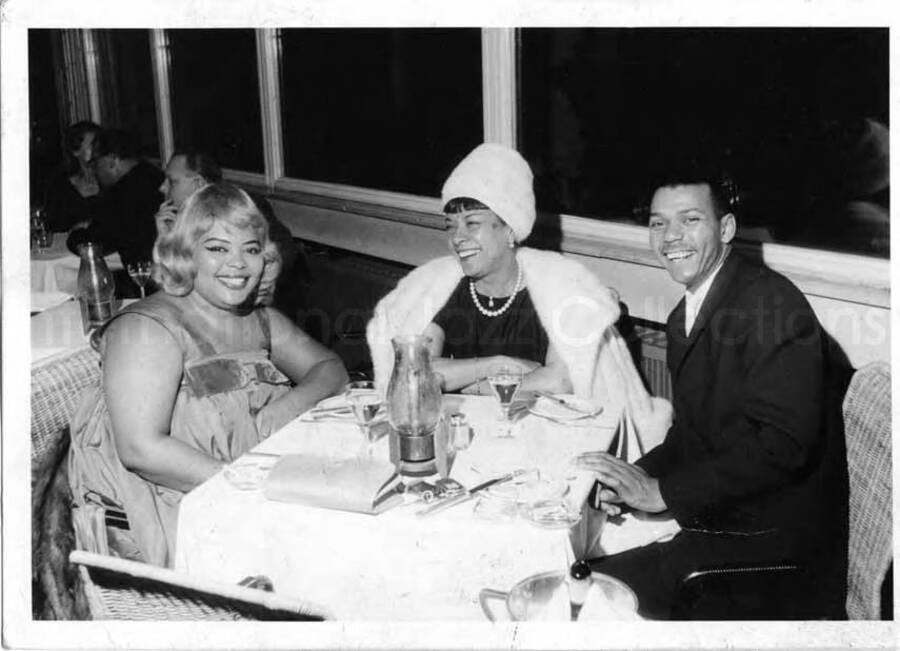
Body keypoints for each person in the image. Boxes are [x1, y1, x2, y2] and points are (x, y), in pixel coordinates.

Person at [578, 164, 849, 619]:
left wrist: (664, 493)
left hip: (773, 551)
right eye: (658, 223)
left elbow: (783, 446)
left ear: (726, 228)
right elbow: (692, 434)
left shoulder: (773, 304)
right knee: (581, 568)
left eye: (690, 219)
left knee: (586, 596)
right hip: (726, 518)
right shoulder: (689, 311)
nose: (671, 237)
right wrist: (633, 479)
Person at [67, 183, 348, 568]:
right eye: (217, 248)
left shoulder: (257, 318)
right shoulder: (147, 328)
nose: (237, 264)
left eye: (250, 249)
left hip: (246, 484)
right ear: (185, 255)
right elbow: (140, 450)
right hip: (169, 508)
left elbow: (331, 369)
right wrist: (248, 488)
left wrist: (282, 411)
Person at [368, 143, 671, 449]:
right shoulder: (448, 290)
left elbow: (560, 382)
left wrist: (467, 385)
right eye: (450, 226)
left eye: (472, 223)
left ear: (509, 230)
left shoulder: (557, 290)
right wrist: (497, 364)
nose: (457, 238)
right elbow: (417, 373)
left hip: (551, 439)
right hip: (479, 436)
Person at [155, 150, 309, 312]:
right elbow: (170, 288)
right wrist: (165, 241)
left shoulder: (241, 208)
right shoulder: (187, 219)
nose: (162, 188)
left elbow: (283, 253)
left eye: (172, 182)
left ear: (199, 184)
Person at [66, 128, 164, 268]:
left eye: (95, 163)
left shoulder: (122, 193)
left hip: (146, 278)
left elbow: (93, 245)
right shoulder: (153, 174)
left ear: (112, 161)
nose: (94, 171)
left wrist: (75, 234)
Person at [43, 120, 102, 232]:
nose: (98, 150)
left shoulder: (110, 180)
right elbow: (52, 227)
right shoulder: (60, 187)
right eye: (93, 145)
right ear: (75, 151)